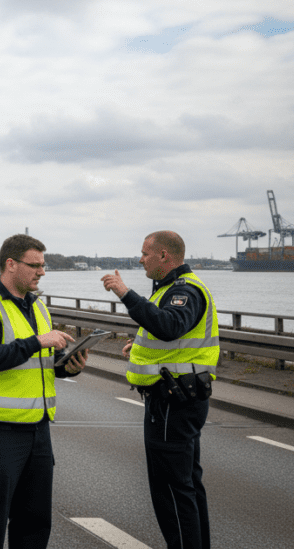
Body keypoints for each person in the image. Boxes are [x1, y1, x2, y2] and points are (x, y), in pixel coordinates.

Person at [0, 234, 87, 549]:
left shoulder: (37, 306)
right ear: (10, 264)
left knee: (35, 523)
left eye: (43, 266)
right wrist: (38, 342)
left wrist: (66, 366)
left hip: (38, 430)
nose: (41, 272)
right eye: (35, 265)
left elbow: (38, 363)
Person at [102, 231, 217, 549]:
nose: (140, 259)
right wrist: (136, 346)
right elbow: (168, 337)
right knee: (187, 486)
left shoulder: (185, 291)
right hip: (176, 397)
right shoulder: (170, 289)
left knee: (171, 490)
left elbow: (169, 326)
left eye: (144, 253)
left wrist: (125, 293)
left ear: (164, 255)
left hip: (173, 401)